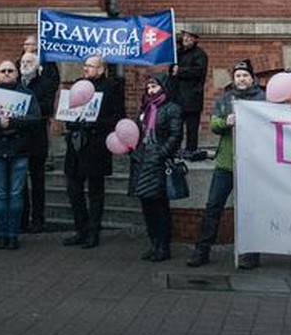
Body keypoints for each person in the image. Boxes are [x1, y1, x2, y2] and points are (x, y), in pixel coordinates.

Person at [187, 59, 265, 269]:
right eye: (238, 75)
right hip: (225, 164)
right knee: (213, 207)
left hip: (251, 165)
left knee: (249, 211)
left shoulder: (262, 99)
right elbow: (214, 125)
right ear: (234, 79)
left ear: (252, 78)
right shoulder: (225, 99)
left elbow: (268, 127)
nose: (241, 79)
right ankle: (201, 251)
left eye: (245, 75)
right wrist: (226, 122)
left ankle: (250, 254)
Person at [0, 59, 40, 250]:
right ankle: (1, 233)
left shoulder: (27, 94)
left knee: (16, 194)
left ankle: (13, 234)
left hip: (19, 150)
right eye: (2, 70)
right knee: (0, 195)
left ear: (17, 73)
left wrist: (11, 122)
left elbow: (35, 119)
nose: (6, 73)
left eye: (10, 70)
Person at [62, 54, 125, 249]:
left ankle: (93, 232)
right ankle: (80, 229)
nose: (85, 69)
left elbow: (117, 118)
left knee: (95, 193)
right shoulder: (79, 84)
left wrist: (94, 123)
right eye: (85, 65)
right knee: (74, 190)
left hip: (96, 145)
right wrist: (71, 119)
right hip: (76, 145)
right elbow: (68, 112)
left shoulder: (111, 87)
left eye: (90, 66)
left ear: (101, 69)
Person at [128, 74, 182, 262]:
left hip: (157, 162)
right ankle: (153, 243)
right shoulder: (146, 108)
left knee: (160, 207)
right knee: (147, 206)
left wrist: (161, 154)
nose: (151, 90)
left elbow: (175, 135)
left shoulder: (172, 109)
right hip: (142, 161)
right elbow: (136, 131)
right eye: (149, 87)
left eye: (155, 87)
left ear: (163, 88)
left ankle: (163, 246)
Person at [19, 52, 55, 232]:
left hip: (37, 139)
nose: (25, 65)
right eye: (23, 62)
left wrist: (27, 107)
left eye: (29, 62)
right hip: (18, 139)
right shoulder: (16, 84)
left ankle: (38, 218)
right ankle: (22, 218)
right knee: (20, 183)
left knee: (37, 181)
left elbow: (48, 108)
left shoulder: (45, 84)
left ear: (37, 65)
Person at [22, 35, 60, 169]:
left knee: (44, 133)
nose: (28, 47)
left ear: (37, 46)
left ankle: (47, 159)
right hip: (23, 108)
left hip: (42, 106)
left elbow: (54, 81)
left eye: (31, 44)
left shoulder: (47, 62)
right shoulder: (20, 62)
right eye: (25, 44)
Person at [170, 29, 208, 160]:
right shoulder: (178, 53)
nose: (186, 39)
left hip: (192, 97)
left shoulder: (200, 54)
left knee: (192, 127)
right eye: (185, 36)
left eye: (189, 37)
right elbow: (171, 71)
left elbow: (198, 71)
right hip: (177, 95)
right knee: (176, 126)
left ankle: (191, 149)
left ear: (195, 39)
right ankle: (175, 149)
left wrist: (180, 70)